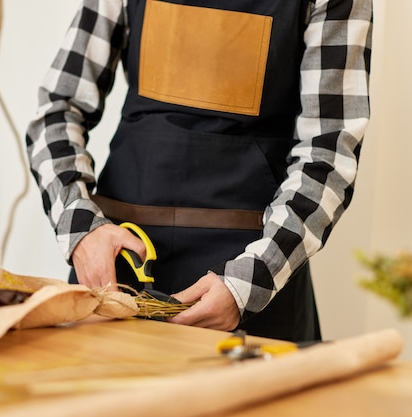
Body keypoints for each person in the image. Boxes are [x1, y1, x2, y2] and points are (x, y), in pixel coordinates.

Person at [26, 0, 373, 341]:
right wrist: (82, 232)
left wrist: (247, 286)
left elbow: (328, 156)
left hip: (253, 287)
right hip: (117, 277)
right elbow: (57, 112)